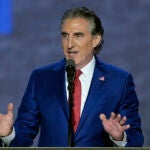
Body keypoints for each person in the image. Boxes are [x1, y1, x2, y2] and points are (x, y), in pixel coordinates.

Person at [0, 7, 144, 147]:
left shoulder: (119, 81)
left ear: (96, 40)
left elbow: (135, 139)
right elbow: (25, 132)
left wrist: (119, 137)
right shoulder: (41, 78)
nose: (69, 44)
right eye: (65, 36)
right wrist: (8, 134)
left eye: (78, 35)